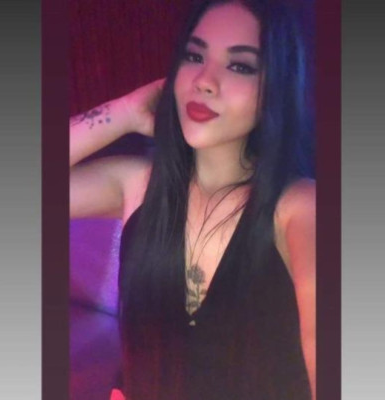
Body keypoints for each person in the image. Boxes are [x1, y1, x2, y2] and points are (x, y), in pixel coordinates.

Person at [70, 0, 316, 399]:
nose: (204, 80)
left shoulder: (300, 206)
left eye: (240, 66)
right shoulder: (138, 183)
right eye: (194, 56)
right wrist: (125, 111)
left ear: (277, 87)